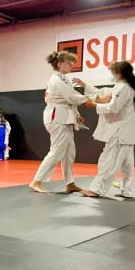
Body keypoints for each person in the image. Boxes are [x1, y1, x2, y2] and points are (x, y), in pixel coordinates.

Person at [29, 51, 96, 194]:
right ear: (59, 64)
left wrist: (77, 115)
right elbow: (72, 97)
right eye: (69, 62)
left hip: (65, 117)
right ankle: (37, 181)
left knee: (69, 152)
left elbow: (69, 100)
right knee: (57, 150)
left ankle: (70, 183)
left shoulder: (64, 79)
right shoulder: (56, 80)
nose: (72, 65)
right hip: (57, 117)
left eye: (72, 63)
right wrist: (93, 98)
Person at [78, 61, 135, 198]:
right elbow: (104, 92)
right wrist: (85, 85)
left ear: (118, 73)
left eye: (112, 72)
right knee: (127, 164)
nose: (111, 75)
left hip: (120, 131)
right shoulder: (123, 86)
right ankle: (128, 190)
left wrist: (94, 105)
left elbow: (114, 107)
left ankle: (96, 189)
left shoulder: (123, 87)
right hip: (126, 130)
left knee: (109, 160)